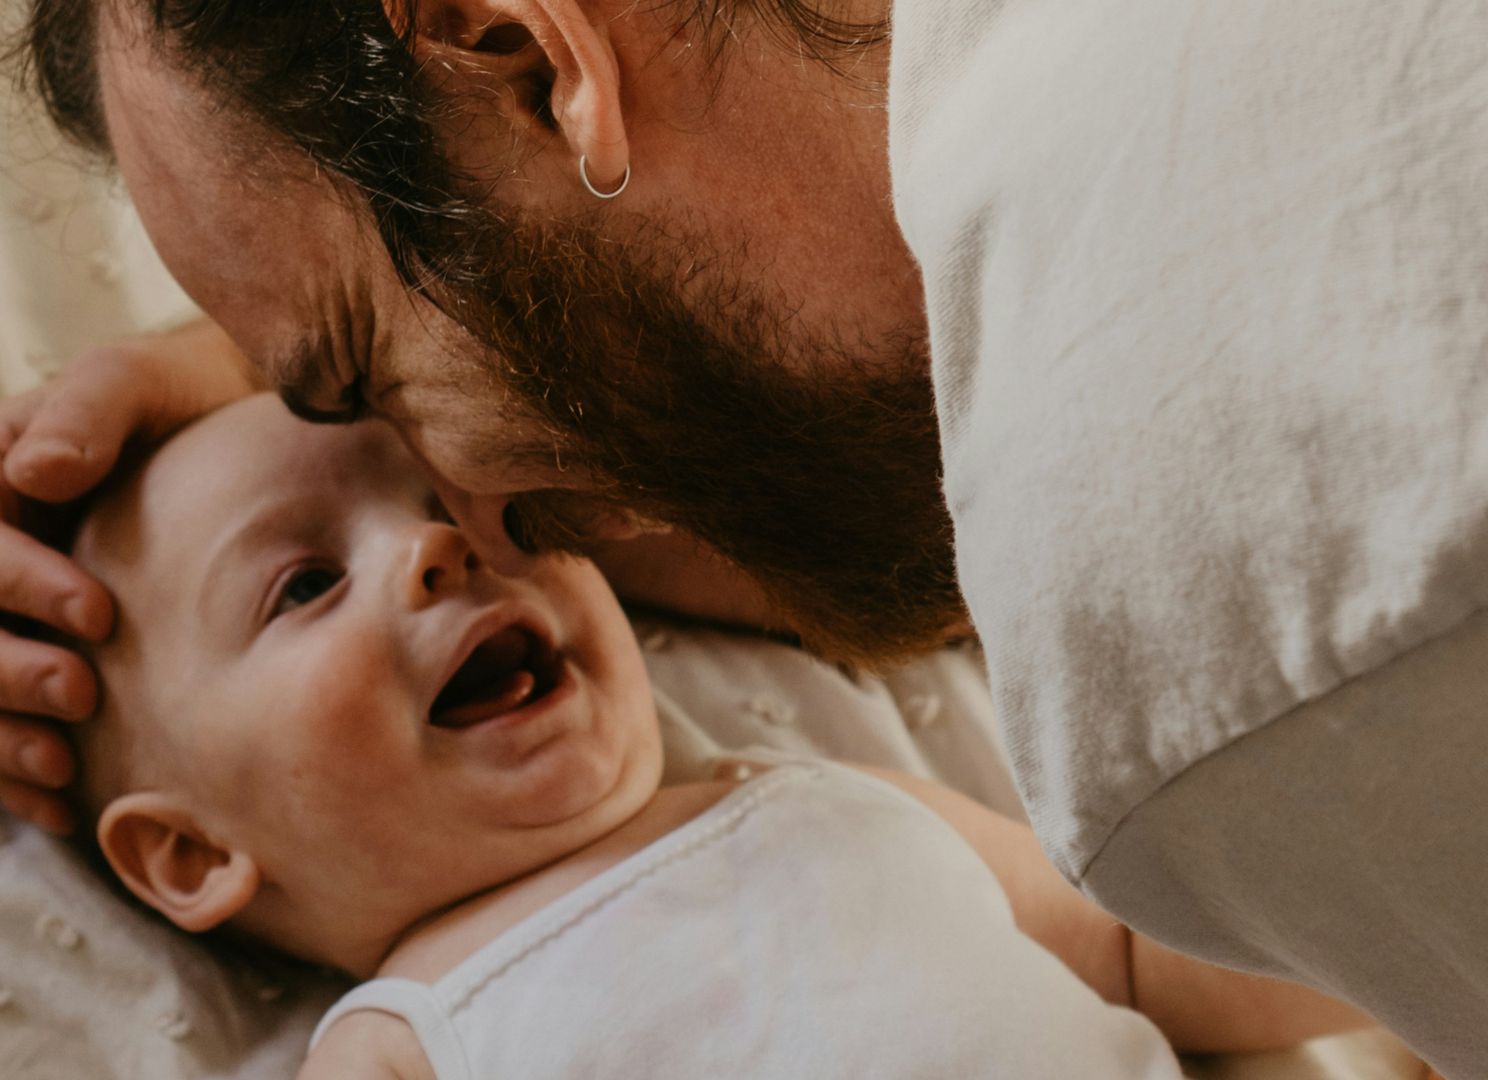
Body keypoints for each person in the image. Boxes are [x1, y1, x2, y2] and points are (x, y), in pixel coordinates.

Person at [4, 2, 1488, 1075]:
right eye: (307, 565)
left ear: (532, 48)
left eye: (367, 384)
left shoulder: (1208, 621)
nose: (475, 527)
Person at [66, 392, 1366, 1078]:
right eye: (302, 585)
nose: (435, 544)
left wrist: (1401, 946)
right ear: (191, 855)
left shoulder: (830, 803)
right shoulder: (408, 1039)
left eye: (442, 498)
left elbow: (1138, 951)